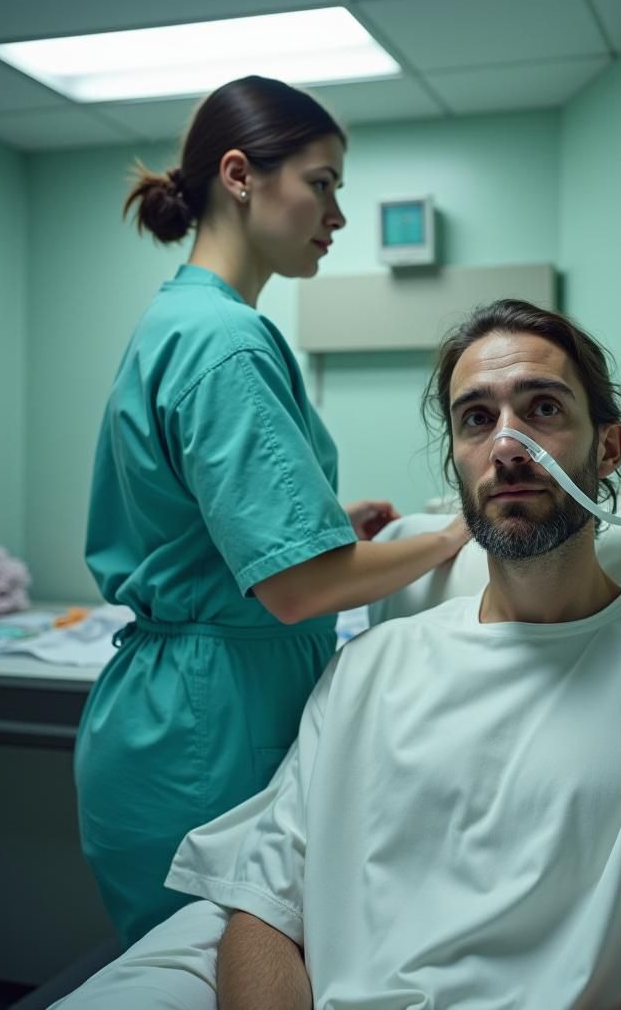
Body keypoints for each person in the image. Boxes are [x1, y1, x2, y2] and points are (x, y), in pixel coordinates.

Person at [58, 300, 621, 1009]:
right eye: (476, 418)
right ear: (457, 460)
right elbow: (260, 917)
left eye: (542, 409)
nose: (508, 444)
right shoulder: (370, 673)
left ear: (606, 449)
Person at [77, 75, 468, 947]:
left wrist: (332, 529)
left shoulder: (186, 319)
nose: (335, 215)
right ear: (241, 175)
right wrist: (452, 535)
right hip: (208, 729)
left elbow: (219, 532)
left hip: (178, 710)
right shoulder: (224, 341)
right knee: (211, 976)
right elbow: (296, 587)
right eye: (322, 183)